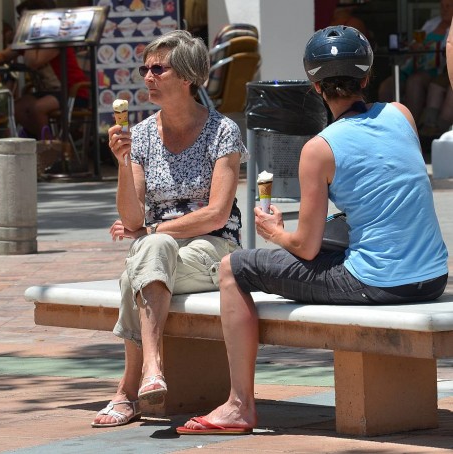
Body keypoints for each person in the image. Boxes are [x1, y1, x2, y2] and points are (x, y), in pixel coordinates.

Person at [178, 25, 448, 435]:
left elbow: (304, 248)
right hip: (431, 276)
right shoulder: (401, 114)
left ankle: (239, 405)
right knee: (340, 230)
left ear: (315, 86)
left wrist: (273, 232)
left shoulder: (319, 148)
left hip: (377, 283)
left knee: (235, 267)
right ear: (366, 77)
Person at [91, 29, 248, 428]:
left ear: (188, 77)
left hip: (214, 249)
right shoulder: (141, 134)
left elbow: (216, 214)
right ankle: (153, 371)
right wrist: (124, 162)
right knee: (152, 252)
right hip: (161, 249)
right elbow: (130, 220)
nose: (147, 77)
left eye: (158, 69)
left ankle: (128, 388)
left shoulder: (222, 131)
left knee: (137, 269)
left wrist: (153, 229)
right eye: (145, 68)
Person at [13, 0, 89, 139]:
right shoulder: (35, 39)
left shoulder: (56, 38)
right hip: (50, 91)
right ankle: (38, 138)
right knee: (16, 108)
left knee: (38, 108)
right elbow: (6, 54)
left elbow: (33, 62)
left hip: (72, 91)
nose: (21, 23)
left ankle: (49, 146)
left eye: (25, 19)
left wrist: (30, 34)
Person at [379, 0, 453, 127]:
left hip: (435, 69)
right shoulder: (432, 23)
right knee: (387, 85)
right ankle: (387, 126)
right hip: (413, 65)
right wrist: (414, 46)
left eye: (448, 6)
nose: (444, 9)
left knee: (414, 82)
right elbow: (416, 41)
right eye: (442, 6)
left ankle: (412, 127)